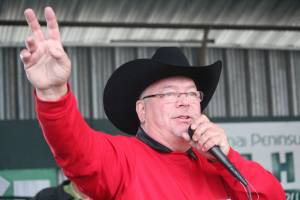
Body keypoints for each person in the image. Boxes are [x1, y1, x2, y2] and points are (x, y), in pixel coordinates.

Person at [20, 6, 285, 200]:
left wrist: (228, 157)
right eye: (169, 93)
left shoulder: (217, 166)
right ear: (141, 110)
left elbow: (272, 196)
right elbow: (77, 150)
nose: (185, 102)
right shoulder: (123, 158)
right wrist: (54, 93)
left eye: (193, 94)